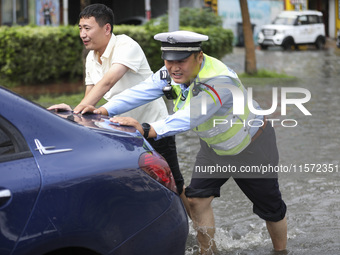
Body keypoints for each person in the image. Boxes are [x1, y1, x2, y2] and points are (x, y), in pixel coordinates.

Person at [79, 30, 288, 254]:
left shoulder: (220, 82)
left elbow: (190, 117)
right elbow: (141, 91)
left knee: (271, 208)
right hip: (215, 147)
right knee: (196, 200)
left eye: (181, 61)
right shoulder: (171, 72)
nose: (174, 67)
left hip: (252, 147)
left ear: (199, 57)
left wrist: (147, 129)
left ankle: (281, 251)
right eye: (168, 61)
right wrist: (103, 109)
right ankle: (208, 251)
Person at [47, 4, 186, 201]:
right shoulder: (91, 58)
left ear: (107, 29)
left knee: (175, 186)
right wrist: (73, 112)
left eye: (88, 28)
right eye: (80, 28)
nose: (82, 34)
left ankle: (194, 228)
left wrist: (75, 113)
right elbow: (90, 100)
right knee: (137, 187)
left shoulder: (126, 45)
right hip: (124, 132)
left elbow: (108, 81)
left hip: (153, 127)